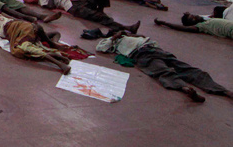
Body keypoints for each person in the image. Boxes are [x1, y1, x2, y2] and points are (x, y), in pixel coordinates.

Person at [96, 31, 232, 102]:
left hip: (156, 50)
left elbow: (143, 36)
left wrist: (130, 34)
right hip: (141, 55)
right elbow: (100, 48)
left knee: (190, 70)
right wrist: (115, 37)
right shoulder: (112, 41)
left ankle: (223, 91)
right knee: (162, 71)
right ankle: (185, 89)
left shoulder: (136, 37)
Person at [68, 0, 140, 34]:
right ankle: (127, 28)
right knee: (100, 17)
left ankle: (100, 10)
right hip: (73, 8)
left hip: (78, 1)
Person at [154, 14, 233, 40]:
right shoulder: (201, 26)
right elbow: (184, 28)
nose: (196, 16)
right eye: (193, 18)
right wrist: (166, 23)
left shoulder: (207, 20)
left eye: (193, 15)